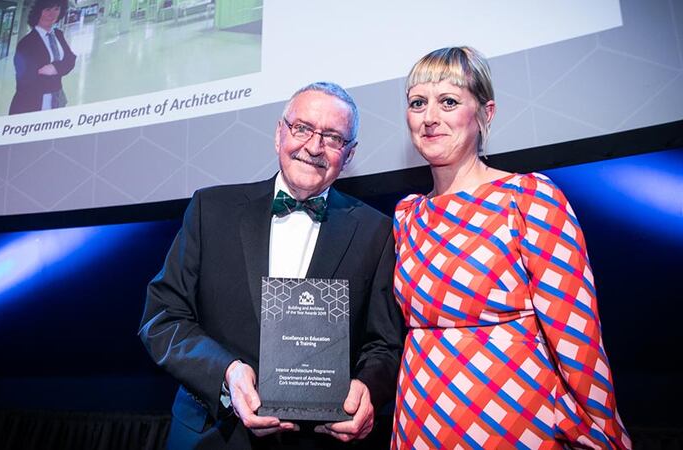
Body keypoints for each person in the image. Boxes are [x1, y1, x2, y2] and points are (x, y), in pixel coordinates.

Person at [139, 82, 404, 449]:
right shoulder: (210, 210)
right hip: (212, 434)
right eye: (303, 129)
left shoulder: (377, 232)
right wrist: (227, 374)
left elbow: (384, 344)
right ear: (279, 133)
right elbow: (162, 318)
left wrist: (366, 388)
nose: (314, 147)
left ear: (350, 152)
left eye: (332, 137)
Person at [391, 47, 631, 449]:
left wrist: (601, 428)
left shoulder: (530, 198)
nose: (430, 117)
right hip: (421, 415)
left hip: (514, 413)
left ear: (486, 113)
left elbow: (576, 331)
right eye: (418, 103)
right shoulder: (407, 216)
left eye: (448, 101)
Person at [8, 0, 76, 115]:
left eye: (56, 9)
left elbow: (71, 59)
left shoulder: (58, 34)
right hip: (33, 103)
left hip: (57, 99)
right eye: (47, 10)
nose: (53, 14)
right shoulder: (26, 43)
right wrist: (59, 70)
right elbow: (26, 79)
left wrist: (55, 68)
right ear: (38, 11)